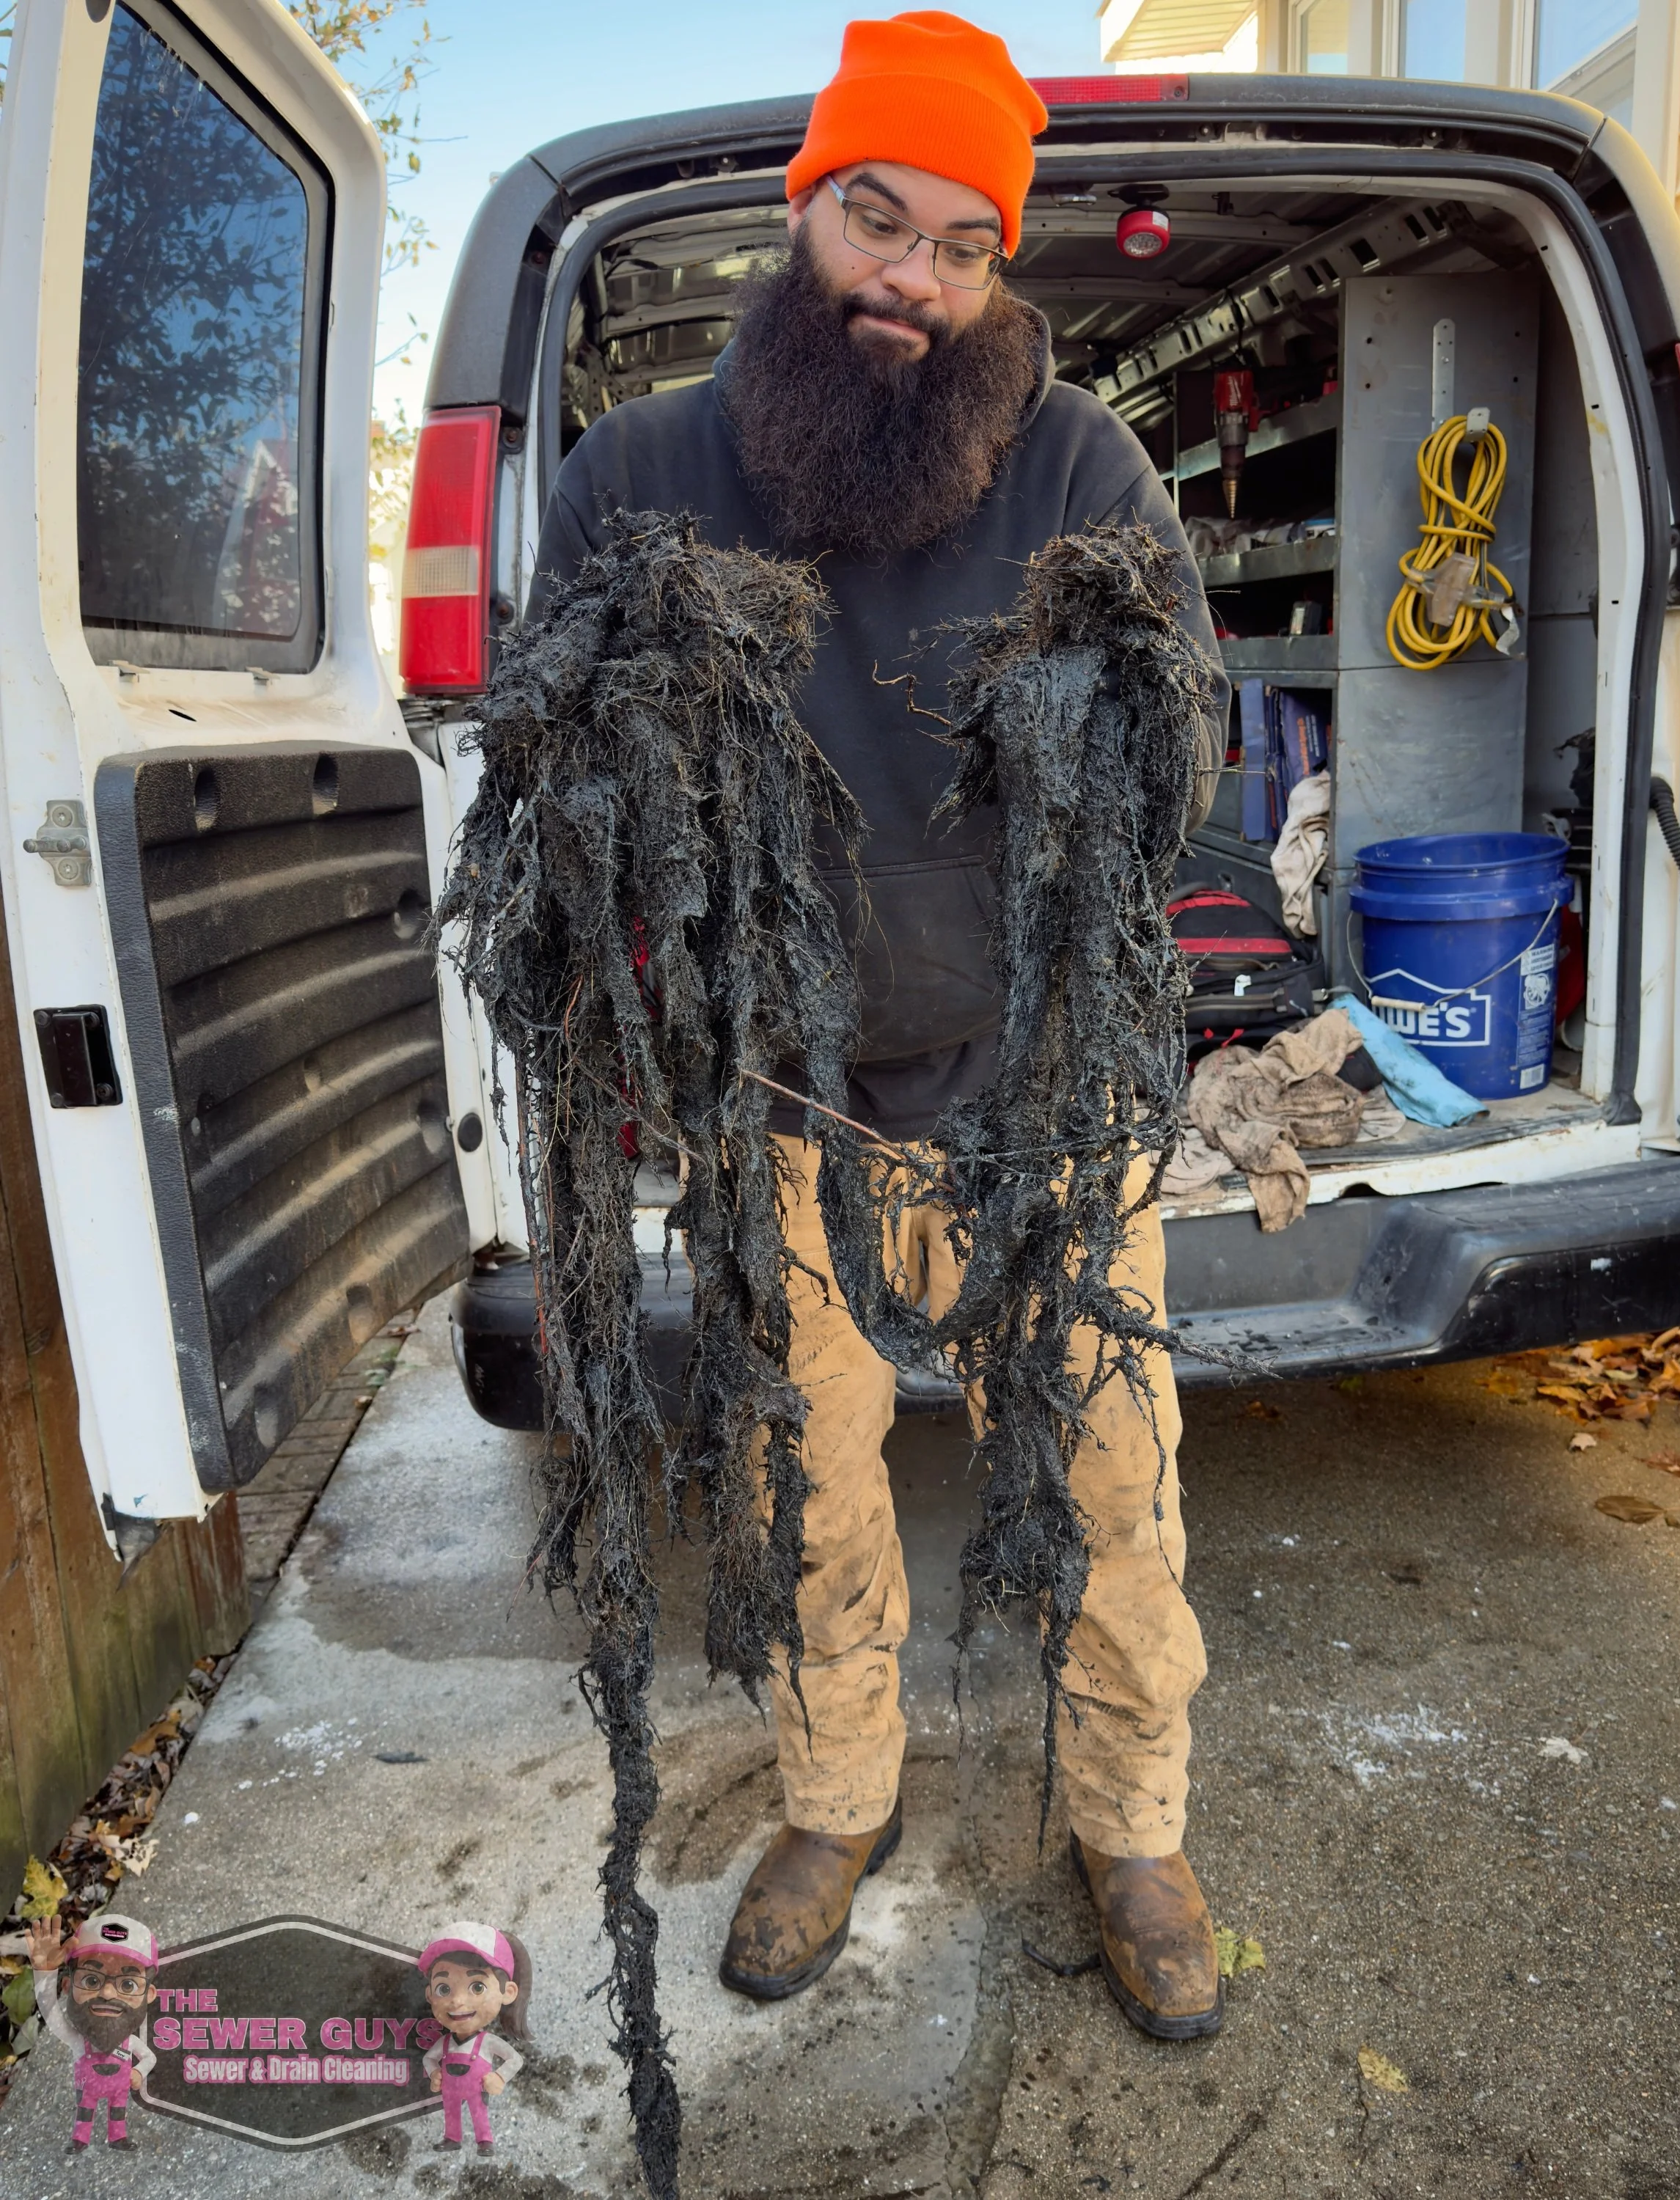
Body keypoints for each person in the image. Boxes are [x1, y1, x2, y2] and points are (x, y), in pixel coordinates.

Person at [529, 10, 1230, 2040]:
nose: (907, 279)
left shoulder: (1082, 463)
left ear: (997, 265)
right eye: (872, 217)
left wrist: (1105, 721)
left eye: (957, 242)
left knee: (1107, 1478)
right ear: (800, 207)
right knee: (795, 1476)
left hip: (1036, 1084)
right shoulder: (641, 471)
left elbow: (1174, 752)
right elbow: (560, 775)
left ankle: (1129, 1826)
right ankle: (836, 1799)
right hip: (773, 1095)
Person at [26, 1912, 159, 2151]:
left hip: (119, 2089)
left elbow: (150, 2057)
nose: (108, 1994)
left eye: (127, 1984)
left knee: (118, 2111)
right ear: (67, 1986)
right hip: (88, 2090)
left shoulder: (130, 2043)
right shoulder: (80, 2042)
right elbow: (52, 2015)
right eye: (91, 1981)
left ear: (149, 1995)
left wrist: (139, 2072)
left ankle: (118, 2138)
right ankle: (80, 2140)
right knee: (84, 2112)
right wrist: (45, 1973)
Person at [418, 1921, 529, 2154]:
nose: (457, 2001)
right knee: (451, 2112)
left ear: (507, 1992)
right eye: (443, 1989)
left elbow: (515, 2059)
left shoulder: (487, 2042)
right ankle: (452, 2138)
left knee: (479, 2112)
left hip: (477, 2088)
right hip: (450, 2088)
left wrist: (499, 2077)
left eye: (477, 1987)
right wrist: (434, 2073)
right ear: (429, 1994)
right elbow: (428, 2059)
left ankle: (485, 2140)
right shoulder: (445, 2043)